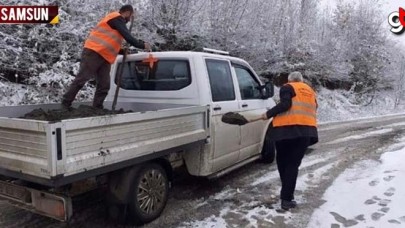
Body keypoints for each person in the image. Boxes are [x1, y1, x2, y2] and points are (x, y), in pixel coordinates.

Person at [62, 5, 151, 110]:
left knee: (104, 85)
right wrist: (142, 45)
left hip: (104, 57)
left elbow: (109, 43)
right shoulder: (116, 17)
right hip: (94, 52)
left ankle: (97, 108)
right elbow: (128, 37)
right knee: (82, 78)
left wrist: (123, 51)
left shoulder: (117, 24)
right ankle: (65, 103)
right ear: (127, 13)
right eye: (131, 16)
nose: (130, 19)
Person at [261, 71, 318, 210]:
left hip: (285, 131)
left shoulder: (288, 87)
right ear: (301, 80)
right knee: (293, 165)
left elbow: (286, 104)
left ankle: (286, 196)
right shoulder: (310, 91)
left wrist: (268, 114)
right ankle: (287, 197)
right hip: (305, 132)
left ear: (290, 80)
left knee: (282, 162)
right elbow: (314, 107)